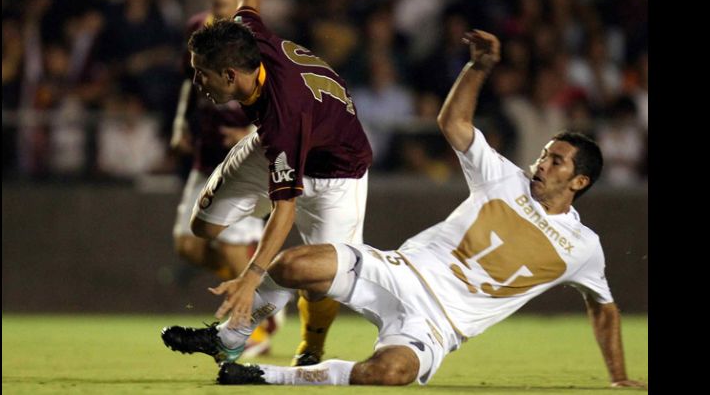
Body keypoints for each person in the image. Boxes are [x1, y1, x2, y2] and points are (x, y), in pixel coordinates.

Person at [161, 29, 646, 389]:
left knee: (390, 373)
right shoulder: (505, 177)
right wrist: (477, 68)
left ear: (579, 182)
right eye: (544, 153)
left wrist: (620, 380)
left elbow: (603, 310)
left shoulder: (585, 248)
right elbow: (453, 122)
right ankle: (231, 337)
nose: (541, 163)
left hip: (438, 326)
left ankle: (268, 376)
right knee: (293, 263)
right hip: (400, 272)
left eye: (555, 161)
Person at [163, 0, 373, 367]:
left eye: (203, 77)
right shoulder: (248, 38)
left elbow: (287, 206)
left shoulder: (284, 113)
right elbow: (250, 1)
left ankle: (288, 343)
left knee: (317, 277)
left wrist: (252, 274)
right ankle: (249, 301)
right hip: (280, 147)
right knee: (203, 225)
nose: (198, 85)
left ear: (230, 74)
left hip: (337, 172)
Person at [169, 0, 274, 357]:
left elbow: (275, 93)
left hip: (244, 158)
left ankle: (253, 325)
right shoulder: (197, 28)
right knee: (189, 246)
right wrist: (181, 122)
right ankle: (262, 298)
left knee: (230, 242)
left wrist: (251, 132)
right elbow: (186, 81)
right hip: (205, 153)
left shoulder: (251, 36)